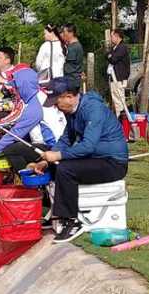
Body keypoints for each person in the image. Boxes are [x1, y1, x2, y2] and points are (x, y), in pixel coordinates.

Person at [32, 77, 128, 243]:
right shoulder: (71, 111)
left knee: (65, 169)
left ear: (69, 97)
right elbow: (66, 139)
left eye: (56, 101)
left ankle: (71, 221)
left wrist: (58, 156)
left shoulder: (93, 109)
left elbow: (88, 146)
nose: (55, 106)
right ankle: (55, 214)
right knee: (54, 166)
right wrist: (48, 159)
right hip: (96, 159)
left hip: (113, 162)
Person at [0, 68, 59, 170]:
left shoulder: (35, 106)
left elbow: (15, 133)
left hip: (52, 149)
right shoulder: (37, 96)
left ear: (24, 86)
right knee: (10, 142)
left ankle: (27, 176)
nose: (17, 90)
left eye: (18, 87)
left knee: (10, 148)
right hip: (46, 144)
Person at [106, 29, 131, 119]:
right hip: (114, 77)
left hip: (119, 78)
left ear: (117, 36)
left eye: (112, 36)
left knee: (119, 101)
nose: (111, 38)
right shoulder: (115, 47)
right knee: (116, 100)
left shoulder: (122, 47)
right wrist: (109, 55)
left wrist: (109, 55)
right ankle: (119, 119)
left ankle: (121, 121)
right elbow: (108, 55)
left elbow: (113, 59)